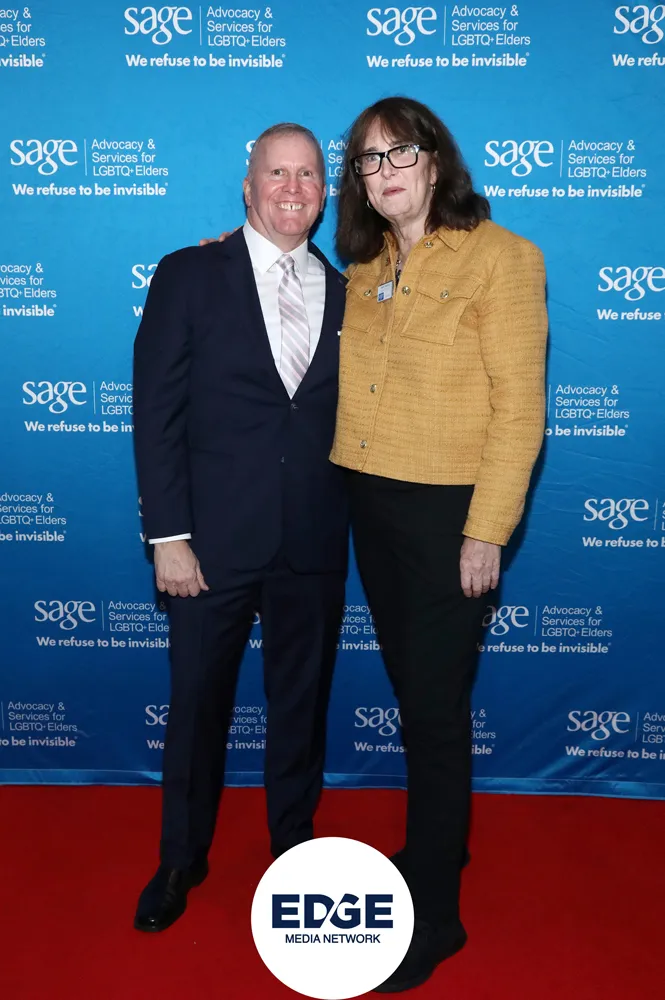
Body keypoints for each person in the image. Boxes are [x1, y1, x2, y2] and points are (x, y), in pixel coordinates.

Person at [329, 97, 548, 992]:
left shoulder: (502, 257)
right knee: (416, 694)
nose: (383, 172)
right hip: (369, 504)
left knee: (431, 712)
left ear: (434, 160)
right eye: (366, 160)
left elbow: (519, 410)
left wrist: (485, 531)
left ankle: (437, 915)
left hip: (447, 515)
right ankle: (434, 849)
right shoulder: (363, 267)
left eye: (399, 153)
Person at [132, 123, 348, 933]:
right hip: (208, 547)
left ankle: (293, 846)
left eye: (308, 174)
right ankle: (180, 859)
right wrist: (168, 537)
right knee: (196, 707)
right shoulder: (188, 273)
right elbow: (155, 413)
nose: (293, 188)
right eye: (277, 173)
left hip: (312, 542)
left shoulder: (350, 290)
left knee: (301, 706)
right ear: (248, 186)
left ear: (325, 193)